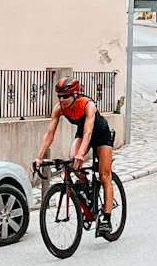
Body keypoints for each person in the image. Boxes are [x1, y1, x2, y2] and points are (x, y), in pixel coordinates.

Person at [35, 77, 117, 238]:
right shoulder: (59, 108)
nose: (61, 99)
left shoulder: (88, 105)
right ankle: (85, 184)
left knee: (104, 175)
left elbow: (88, 132)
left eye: (65, 96)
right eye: (59, 96)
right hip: (82, 132)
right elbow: (49, 133)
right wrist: (39, 157)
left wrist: (82, 153)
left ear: (75, 95)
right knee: (71, 159)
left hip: (101, 135)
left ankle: (106, 219)